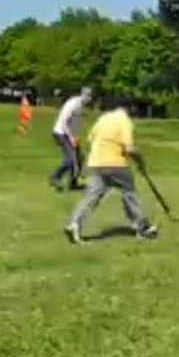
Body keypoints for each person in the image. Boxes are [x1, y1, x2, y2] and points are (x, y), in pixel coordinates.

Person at [64, 96, 158, 244]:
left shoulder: (103, 119)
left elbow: (90, 140)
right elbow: (130, 148)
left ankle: (74, 223)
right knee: (129, 194)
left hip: (95, 163)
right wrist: (141, 162)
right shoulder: (124, 121)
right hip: (116, 164)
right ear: (128, 108)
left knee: (91, 196)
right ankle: (143, 227)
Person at [50, 86, 91, 191]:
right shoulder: (73, 104)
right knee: (70, 159)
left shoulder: (81, 105)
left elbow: (75, 122)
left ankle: (73, 184)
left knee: (79, 158)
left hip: (69, 134)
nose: (90, 99)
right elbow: (65, 122)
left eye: (90, 96)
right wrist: (71, 137)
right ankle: (55, 178)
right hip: (60, 133)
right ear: (83, 95)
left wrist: (76, 136)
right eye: (88, 96)